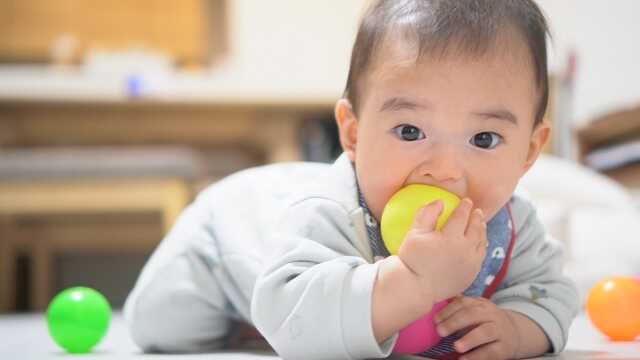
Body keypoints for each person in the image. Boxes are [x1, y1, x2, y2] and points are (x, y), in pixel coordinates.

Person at [124, 1, 579, 359]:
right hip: (224, 241)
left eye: (484, 138)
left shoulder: (512, 224)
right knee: (165, 328)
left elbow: (552, 293)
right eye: (409, 131)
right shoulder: (332, 212)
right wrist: (415, 282)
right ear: (353, 132)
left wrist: (520, 330)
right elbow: (290, 316)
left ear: (530, 150)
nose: (444, 170)